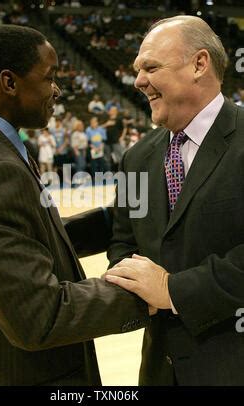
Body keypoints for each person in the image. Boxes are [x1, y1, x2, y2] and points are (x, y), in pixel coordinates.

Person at [0, 25, 151, 386]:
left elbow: (13, 243)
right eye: (49, 77)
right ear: (9, 82)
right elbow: (41, 316)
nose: (57, 89)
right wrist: (150, 292)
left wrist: (111, 220)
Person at [104, 15, 244, 385]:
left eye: (150, 66)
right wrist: (137, 285)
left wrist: (172, 291)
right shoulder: (135, 158)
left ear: (200, 64)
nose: (138, 80)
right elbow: (123, 243)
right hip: (159, 371)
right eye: (137, 69)